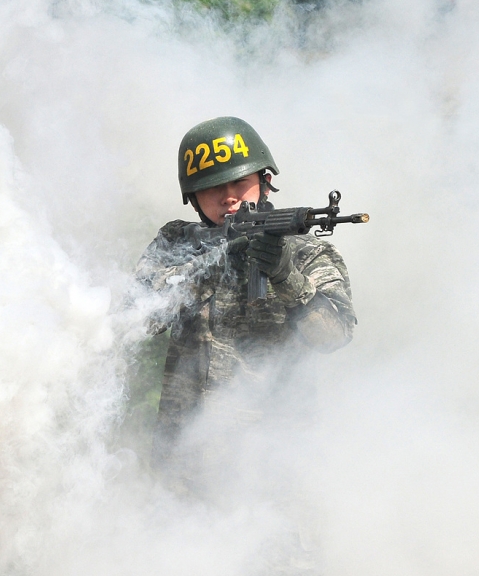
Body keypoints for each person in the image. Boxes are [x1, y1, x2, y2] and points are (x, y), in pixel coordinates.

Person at [136, 117, 356, 462]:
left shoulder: (307, 252)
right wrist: (215, 263)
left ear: (264, 180)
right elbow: (141, 318)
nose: (228, 198)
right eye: (212, 188)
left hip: (270, 459)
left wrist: (286, 276)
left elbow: (334, 336)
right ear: (192, 198)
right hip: (183, 460)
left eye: (240, 182)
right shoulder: (177, 242)